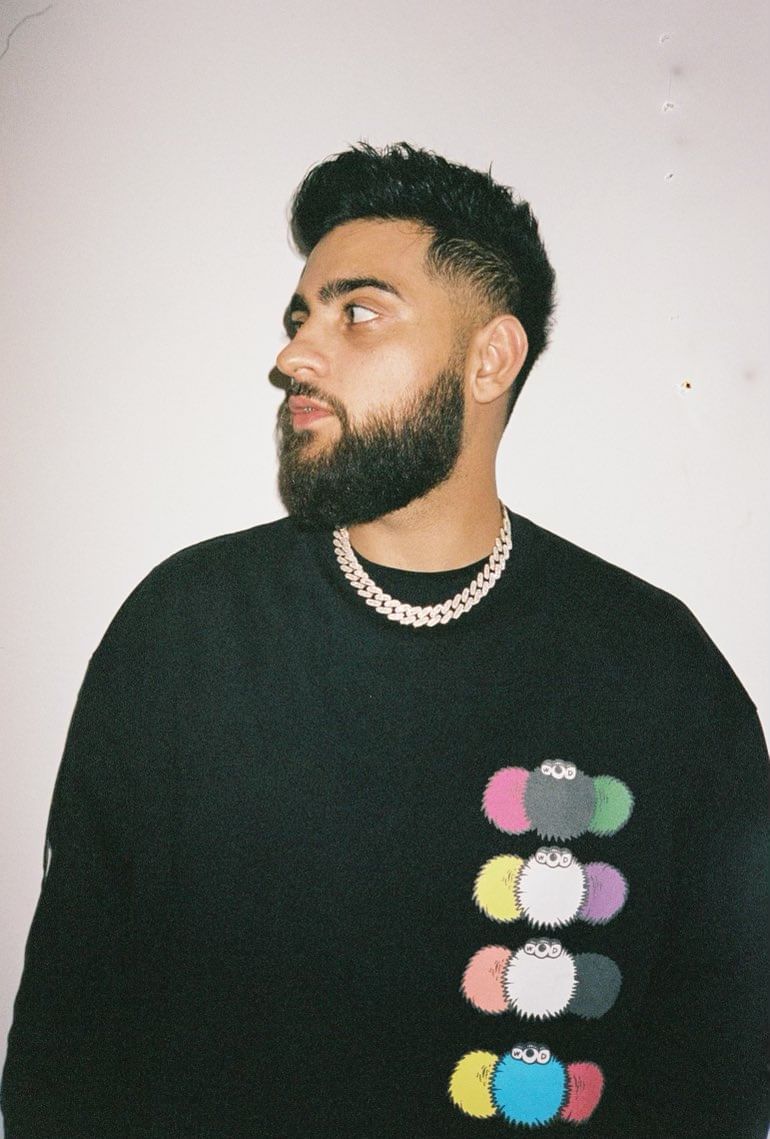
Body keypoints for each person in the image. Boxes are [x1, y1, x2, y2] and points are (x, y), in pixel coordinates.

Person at [2, 142, 768, 1139]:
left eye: (357, 312)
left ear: (489, 358)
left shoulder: (657, 674)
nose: (293, 358)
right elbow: (66, 1043)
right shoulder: (181, 632)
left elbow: (716, 1070)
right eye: (300, 319)